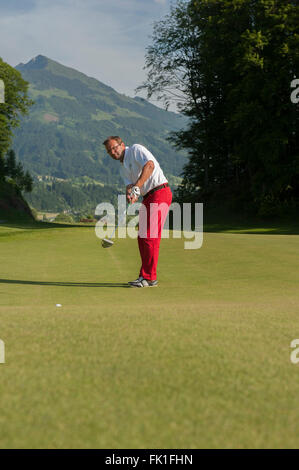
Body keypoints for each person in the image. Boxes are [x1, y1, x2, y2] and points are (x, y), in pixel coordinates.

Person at [103, 136, 172, 287]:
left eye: (115, 148)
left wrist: (137, 186)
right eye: (110, 151)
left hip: (160, 192)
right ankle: (145, 276)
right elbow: (130, 186)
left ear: (122, 145)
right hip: (148, 197)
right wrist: (131, 194)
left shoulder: (135, 150)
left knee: (149, 236)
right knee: (143, 236)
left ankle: (149, 278)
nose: (113, 152)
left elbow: (150, 165)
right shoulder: (122, 168)